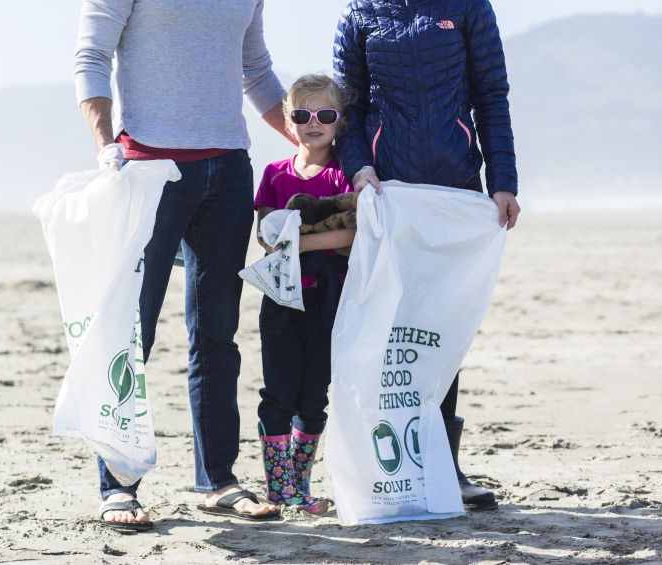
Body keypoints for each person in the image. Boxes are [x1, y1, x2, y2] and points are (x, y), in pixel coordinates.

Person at [74, 0, 291, 531]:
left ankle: (217, 479)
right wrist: (106, 146)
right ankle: (117, 486)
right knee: (133, 331)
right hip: (149, 166)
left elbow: (256, 70)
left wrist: (319, 146)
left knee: (216, 333)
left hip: (229, 168)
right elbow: (91, 55)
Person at [334, 0, 521, 510]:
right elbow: (347, 109)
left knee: (440, 327)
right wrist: (357, 168)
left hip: (455, 187)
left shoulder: (466, 7)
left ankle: (444, 464)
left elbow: (491, 95)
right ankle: (385, 461)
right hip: (388, 193)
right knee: (389, 327)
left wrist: (503, 181)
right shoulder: (360, 13)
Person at [253, 75, 356, 515]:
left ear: (340, 122)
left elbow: (353, 234)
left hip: (329, 302)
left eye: (325, 115)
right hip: (279, 300)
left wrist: (296, 238)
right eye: (302, 115)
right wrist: (306, 234)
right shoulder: (275, 174)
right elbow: (264, 232)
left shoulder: (346, 173)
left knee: (315, 396)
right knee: (277, 395)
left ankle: (301, 484)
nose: (314, 123)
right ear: (289, 123)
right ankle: (281, 489)